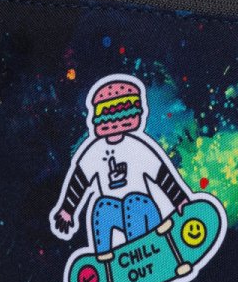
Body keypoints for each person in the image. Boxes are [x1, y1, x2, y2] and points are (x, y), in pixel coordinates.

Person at [50, 75, 190, 254]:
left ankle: (139, 248)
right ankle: (105, 256)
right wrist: (68, 210)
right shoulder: (95, 151)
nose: (115, 125)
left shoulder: (137, 147)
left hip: (145, 211)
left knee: (133, 202)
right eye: (108, 118)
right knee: (102, 207)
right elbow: (80, 180)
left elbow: (161, 174)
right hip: (118, 214)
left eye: (121, 117)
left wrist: (179, 200)